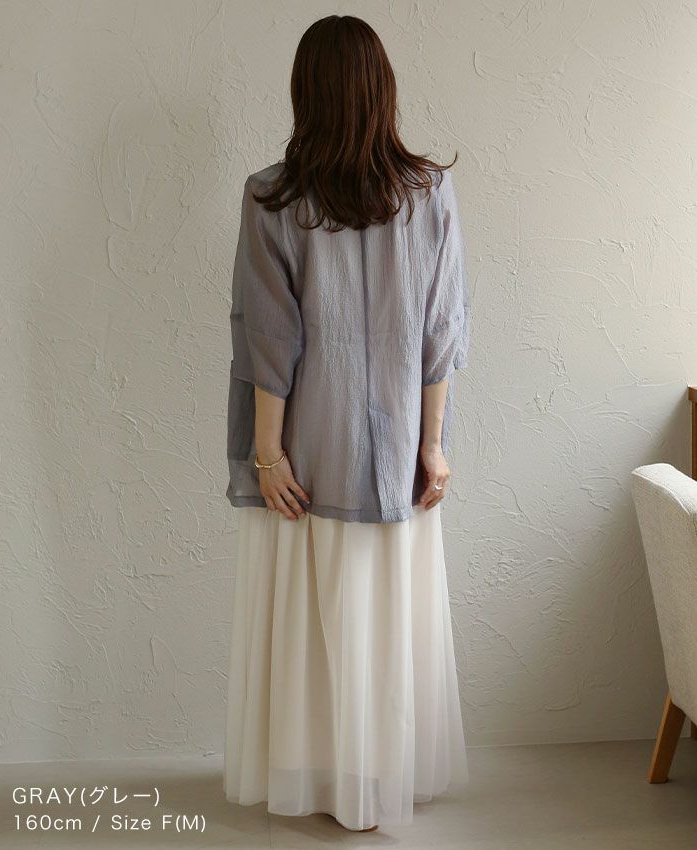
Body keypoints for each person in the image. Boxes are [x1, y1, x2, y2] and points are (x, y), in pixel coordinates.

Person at [223, 14, 471, 833]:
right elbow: (442, 330)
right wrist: (432, 447)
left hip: (309, 452)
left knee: (315, 620)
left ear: (305, 92)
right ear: (382, 89)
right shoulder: (428, 193)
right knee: (386, 616)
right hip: (399, 454)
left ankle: (324, 779)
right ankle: (378, 777)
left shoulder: (272, 197)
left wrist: (267, 454)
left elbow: (269, 336)